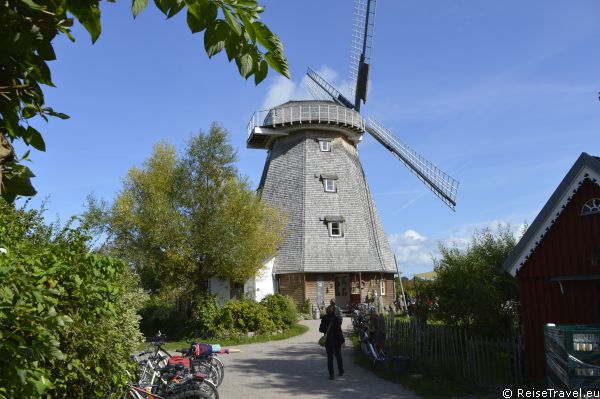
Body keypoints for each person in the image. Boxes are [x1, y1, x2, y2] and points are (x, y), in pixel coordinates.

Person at [319, 305, 345, 379]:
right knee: (339, 356)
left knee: (330, 358)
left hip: (328, 341)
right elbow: (339, 332)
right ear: (334, 311)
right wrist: (342, 341)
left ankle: (331, 375)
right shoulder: (336, 319)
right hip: (337, 341)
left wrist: (326, 329)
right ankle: (341, 371)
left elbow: (320, 329)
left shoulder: (324, 318)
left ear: (327, 310)